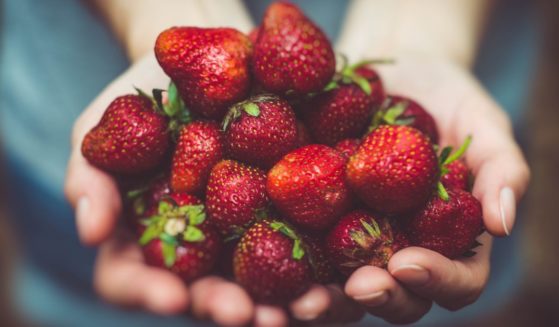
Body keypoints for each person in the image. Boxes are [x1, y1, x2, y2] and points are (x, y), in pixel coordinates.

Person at [1, 0, 531, 326]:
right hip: (66, 83)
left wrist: (422, 30)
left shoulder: (341, 157)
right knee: (80, 300)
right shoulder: (233, 153)